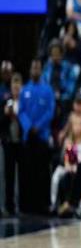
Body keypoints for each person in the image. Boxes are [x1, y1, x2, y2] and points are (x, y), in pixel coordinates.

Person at [18, 59, 55, 214]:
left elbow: (50, 112)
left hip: (42, 137)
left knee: (42, 172)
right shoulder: (24, 90)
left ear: (41, 70)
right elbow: (21, 111)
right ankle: (28, 206)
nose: (35, 70)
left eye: (38, 68)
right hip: (28, 138)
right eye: (33, 68)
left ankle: (43, 205)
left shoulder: (48, 90)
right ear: (30, 70)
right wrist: (28, 127)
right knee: (28, 172)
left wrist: (38, 126)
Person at [0, 73, 23, 215]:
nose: (16, 87)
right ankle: (8, 206)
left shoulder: (24, 102)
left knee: (21, 175)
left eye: (18, 84)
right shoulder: (5, 101)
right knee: (8, 175)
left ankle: (18, 206)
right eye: (14, 84)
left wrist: (18, 116)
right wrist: (5, 114)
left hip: (21, 142)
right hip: (8, 142)